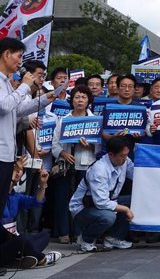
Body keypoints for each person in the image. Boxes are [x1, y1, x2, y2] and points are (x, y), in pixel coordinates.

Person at [0, 38, 53, 246]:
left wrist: (43, 100)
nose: (20, 62)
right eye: (18, 56)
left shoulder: (5, 81)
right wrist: (24, 86)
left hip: (6, 152)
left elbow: (16, 110)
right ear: (6, 54)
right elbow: (4, 106)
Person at [52, 85, 99, 244]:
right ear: (72, 100)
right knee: (62, 199)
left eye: (84, 97)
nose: (80, 100)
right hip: (66, 165)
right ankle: (64, 232)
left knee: (82, 201)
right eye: (77, 97)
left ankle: (79, 232)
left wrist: (90, 146)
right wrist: (63, 153)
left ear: (88, 101)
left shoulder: (94, 120)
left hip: (85, 165)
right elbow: (55, 144)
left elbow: (99, 146)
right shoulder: (63, 120)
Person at [69, 136, 134, 252]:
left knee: (134, 200)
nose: (125, 159)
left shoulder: (125, 161)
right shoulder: (99, 170)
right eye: (122, 156)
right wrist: (125, 209)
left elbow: (136, 175)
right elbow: (101, 203)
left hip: (109, 201)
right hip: (84, 208)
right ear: (111, 154)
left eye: (126, 155)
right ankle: (86, 240)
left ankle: (114, 237)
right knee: (108, 217)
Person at [1, 158, 61, 269]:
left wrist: (42, 184)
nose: (19, 172)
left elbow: (37, 202)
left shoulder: (16, 197)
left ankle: (16, 259)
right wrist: (12, 175)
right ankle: (42, 258)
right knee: (23, 239)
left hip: (13, 242)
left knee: (44, 236)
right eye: (16, 169)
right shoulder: (3, 194)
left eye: (21, 170)